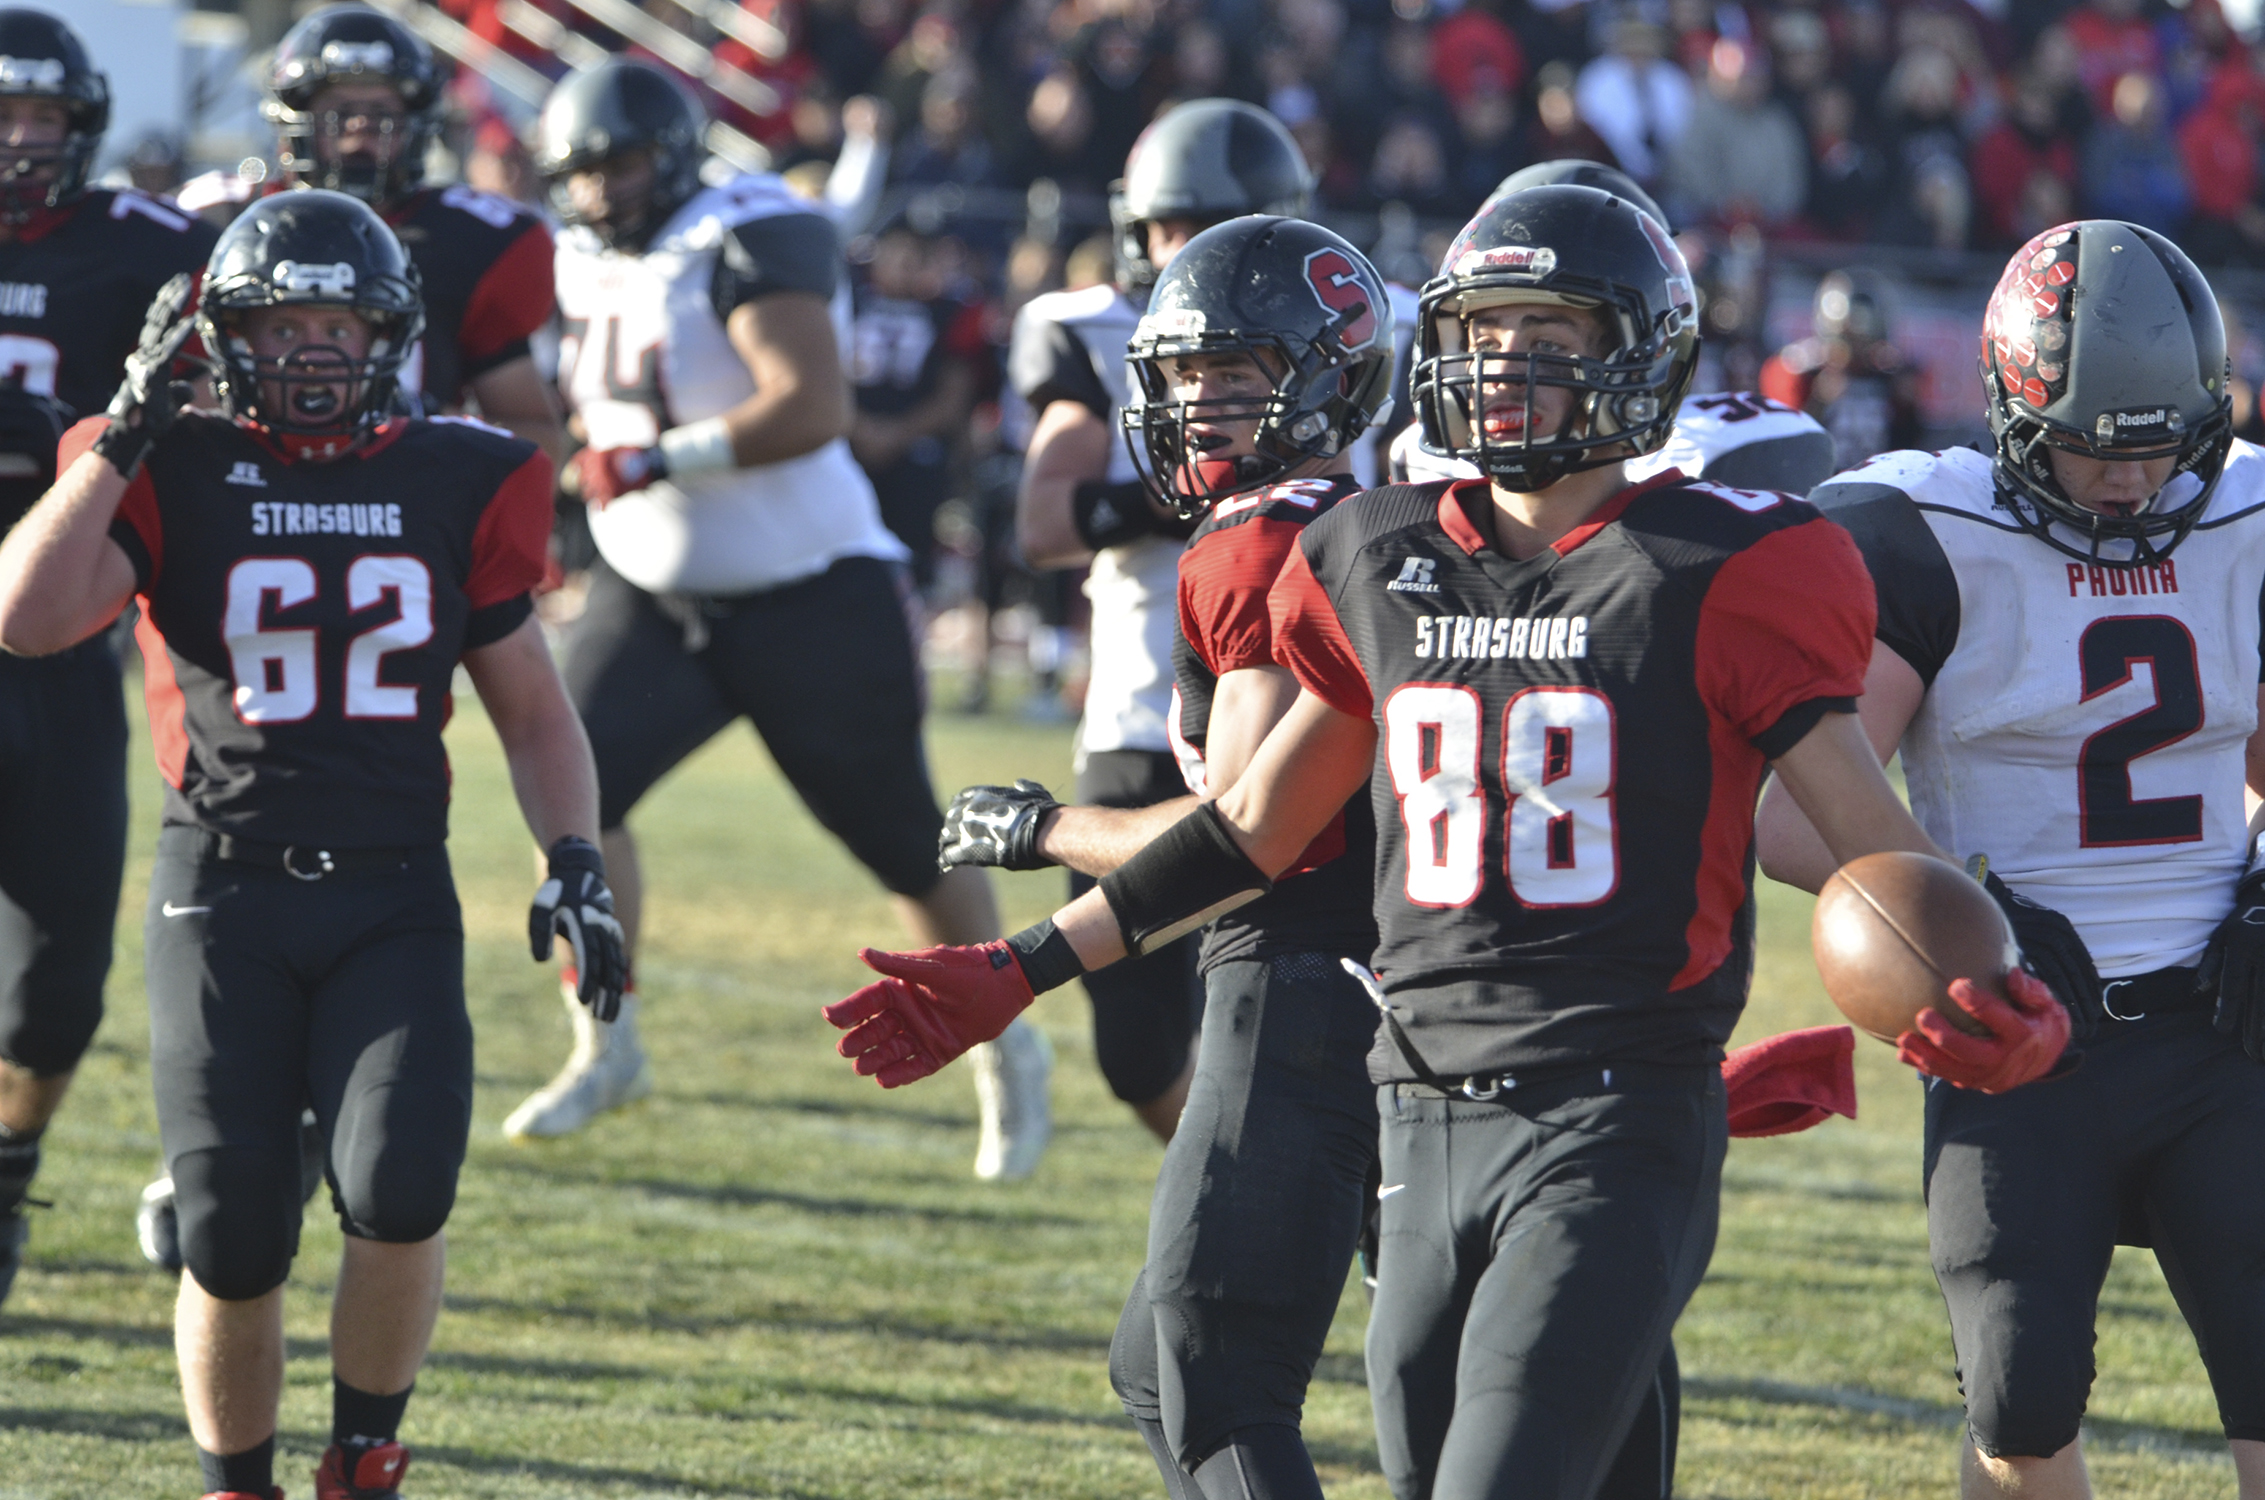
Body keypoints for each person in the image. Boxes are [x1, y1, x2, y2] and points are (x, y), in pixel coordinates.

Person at [826, 184, 2074, 1500]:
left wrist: (1975, 979)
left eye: (1553, 334)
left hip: (1613, 1113)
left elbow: (1872, 844)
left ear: (1639, 353)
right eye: (1488, 330)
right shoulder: (1374, 551)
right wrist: (1019, 966)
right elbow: (1252, 831)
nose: (1510, 365)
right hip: (1415, 1112)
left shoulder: (1727, 563)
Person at [0, 189, 624, 1500]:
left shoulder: (463, 470)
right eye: (283, 325)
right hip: (221, 888)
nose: (314, 352)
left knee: (399, 1187)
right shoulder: (169, 459)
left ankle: (364, 1457)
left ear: (391, 332)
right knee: (228, 1235)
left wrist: (573, 860)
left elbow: (532, 712)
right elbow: (27, 618)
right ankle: (237, 1485)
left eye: (340, 322)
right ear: (223, 340)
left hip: (395, 890)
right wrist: (125, 428)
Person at [1755, 220, 2265, 1500]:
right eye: (2094, 444)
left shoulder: (2251, 517)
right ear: (2016, 410)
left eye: (2155, 443)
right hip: (2018, 1031)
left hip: (2227, 1027)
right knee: (2020, 1403)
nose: (2128, 481)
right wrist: (1963, 922)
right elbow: (1792, 810)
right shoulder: (1921, 535)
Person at [527, 59, 1051, 1179]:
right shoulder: (572, 253)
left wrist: (661, 454)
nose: (602, 191)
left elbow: (811, 407)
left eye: (619, 166)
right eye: (582, 173)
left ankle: (1004, 1046)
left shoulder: (749, 228)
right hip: (653, 590)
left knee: (909, 847)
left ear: (669, 155)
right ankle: (606, 1040)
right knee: (572, 805)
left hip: (811, 591)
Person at [941, 215, 1396, 1500]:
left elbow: (1250, 836)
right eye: (1185, 373)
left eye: (1238, 374)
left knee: (1208, 1377)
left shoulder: (1263, 540)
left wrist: (1042, 832)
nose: (1199, 403)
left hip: (1304, 981)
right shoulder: (1355, 517)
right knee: (1169, 1366)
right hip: (1377, 971)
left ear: (1326, 376)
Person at [137, 0, 566, 1273]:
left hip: (396, 532)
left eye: (384, 112)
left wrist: (440, 494)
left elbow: (523, 415)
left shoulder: (476, 240)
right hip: (241, 534)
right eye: (340, 113)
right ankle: (224, 1135)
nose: (364, 133)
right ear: (294, 120)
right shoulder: (210, 221)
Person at [1008, 97, 1311, 1146]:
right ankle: (1259, 1185)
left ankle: (1313, 1200)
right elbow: (1045, 522)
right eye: (1161, 229)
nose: (1179, 253)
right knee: (1137, 1048)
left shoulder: (1365, 316)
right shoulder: (1086, 326)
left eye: (1204, 225)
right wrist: (1204, 475)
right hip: (1149, 700)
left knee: (1288, 992)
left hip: (1310, 685)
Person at [0, 5, 217, 1305]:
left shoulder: (148, 249)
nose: (23, 143)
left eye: (44, 121)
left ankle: (10, 1167)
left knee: (57, 974)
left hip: (60, 641)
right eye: (3, 118)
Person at [1390, 160, 1835, 498]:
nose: (1503, 371)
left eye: (1546, 343)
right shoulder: (1418, 463)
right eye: (1485, 341)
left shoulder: (1720, 452)